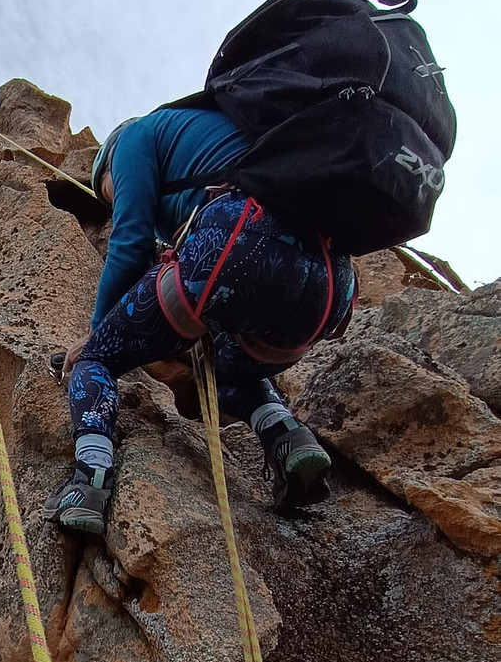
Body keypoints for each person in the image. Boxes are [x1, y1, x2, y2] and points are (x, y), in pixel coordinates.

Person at [43, 108, 356, 534]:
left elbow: (131, 241)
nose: (111, 201)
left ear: (107, 163)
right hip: (331, 289)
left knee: (96, 358)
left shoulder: (133, 138)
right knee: (226, 371)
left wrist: (98, 331)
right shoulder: (239, 139)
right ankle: (289, 440)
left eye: (106, 192)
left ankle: (89, 482)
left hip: (240, 241)